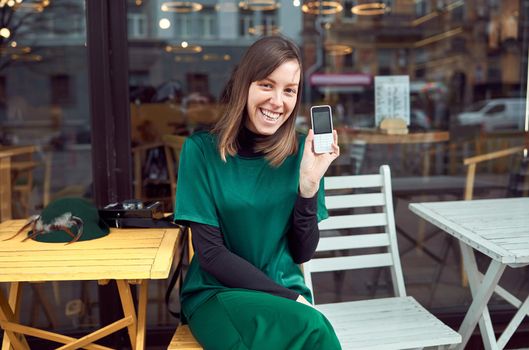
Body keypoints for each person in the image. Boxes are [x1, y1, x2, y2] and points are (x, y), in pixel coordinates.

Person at [174, 35, 341, 350]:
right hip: (217, 293)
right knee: (312, 328)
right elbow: (210, 254)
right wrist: (289, 298)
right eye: (267, 85)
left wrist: (308, 187)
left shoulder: (304, 153)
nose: (278, 101)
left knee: (306, 329)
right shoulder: (200, 151)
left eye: (289, 90)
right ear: (243, 86)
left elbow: (302, 252)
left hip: (283, 290)